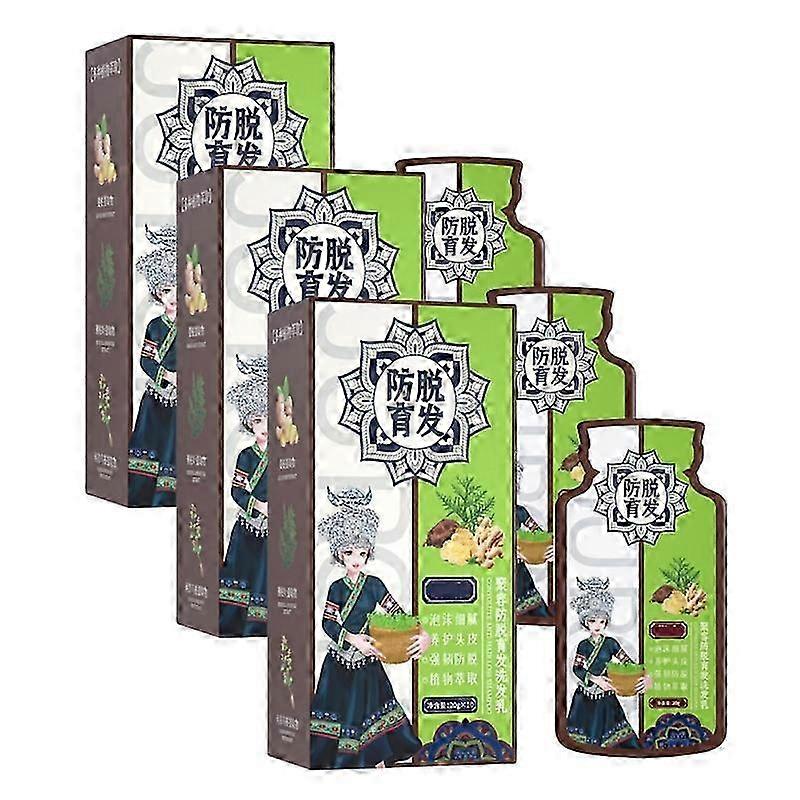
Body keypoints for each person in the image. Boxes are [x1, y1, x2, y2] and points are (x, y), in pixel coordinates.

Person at [310, 487, 431, 768]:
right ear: (339, 553)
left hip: (369, 659)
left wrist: (422, 633)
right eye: (349, 552)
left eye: (362, 552)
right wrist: (353, 640)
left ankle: (377, 759)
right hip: (341, 660)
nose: (356, 558)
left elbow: (397, 614)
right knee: (341, 713)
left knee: (374, 708)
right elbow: (328, 623)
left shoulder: (374, 584)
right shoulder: (336, 587)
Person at [566, 577, 653, 748]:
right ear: (585, 622)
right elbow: (577, 668)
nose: (597, 625)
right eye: (592, 621)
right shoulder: (583, 645)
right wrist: (594, 679)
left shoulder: (611, 643)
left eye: (601, 621)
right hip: (585, 694)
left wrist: (645, 675)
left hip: (607, 692)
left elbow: (627, 662)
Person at [219, 354, 269, 637]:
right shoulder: (246, 456)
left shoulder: (290, 453)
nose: (264, 427)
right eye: (258, 420)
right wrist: (259, 506)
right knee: (241, 580)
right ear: (249, 423)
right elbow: (237, 491)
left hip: (278, 530)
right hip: (249, 528)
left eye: (270, 418)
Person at [128, 225, 177, 507]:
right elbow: (146, 360)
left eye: (179, 289)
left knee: (174, 449)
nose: (173, 296)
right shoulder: (155, 326)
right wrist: (168, 376)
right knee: (149, 448)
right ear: (158, 293)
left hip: (184, 400)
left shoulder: (198, 325)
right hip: (156, 398)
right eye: (167, 290)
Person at [515, 462, 554, 618]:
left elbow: (539, 534)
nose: (516, 485)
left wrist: (552, 547)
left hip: (520, 574)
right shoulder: (489, 512)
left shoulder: (520, 512)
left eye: (518, 480)